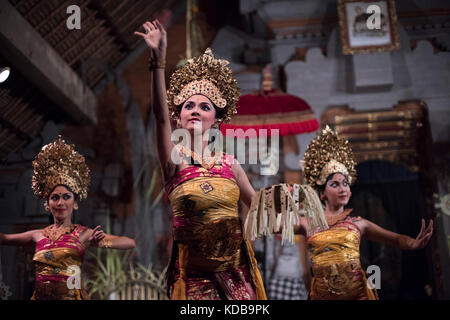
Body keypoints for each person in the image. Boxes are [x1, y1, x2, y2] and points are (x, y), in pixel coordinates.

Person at [134, 20, 266, 300]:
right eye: (187, 105)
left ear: (217, 119)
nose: (194, 110)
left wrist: (291, 205)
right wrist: (158, 62)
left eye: (204, 106)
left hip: (237, 278)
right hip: (194, 282)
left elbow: (259, 210)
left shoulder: (231, 164)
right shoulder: (174, 161)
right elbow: (159, 117)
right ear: (179, 116)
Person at [295, 126, 433, 300]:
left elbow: (396, 239)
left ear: (351, 191)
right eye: (335, 184)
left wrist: (413, 244)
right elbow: (275, 224)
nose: (343, 188)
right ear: (322, 193)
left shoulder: (360, 224)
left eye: (345, 183)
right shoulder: (308, 222)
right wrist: (275, 201)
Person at [0, 136, 136, 300]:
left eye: (66, 197)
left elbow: (129, 243)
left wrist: (100, 242)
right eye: (55, 197)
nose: (60, 202)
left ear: (74, 202)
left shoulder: (83, 234)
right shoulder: (38, 235)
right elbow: (4, 238)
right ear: (48, 203)